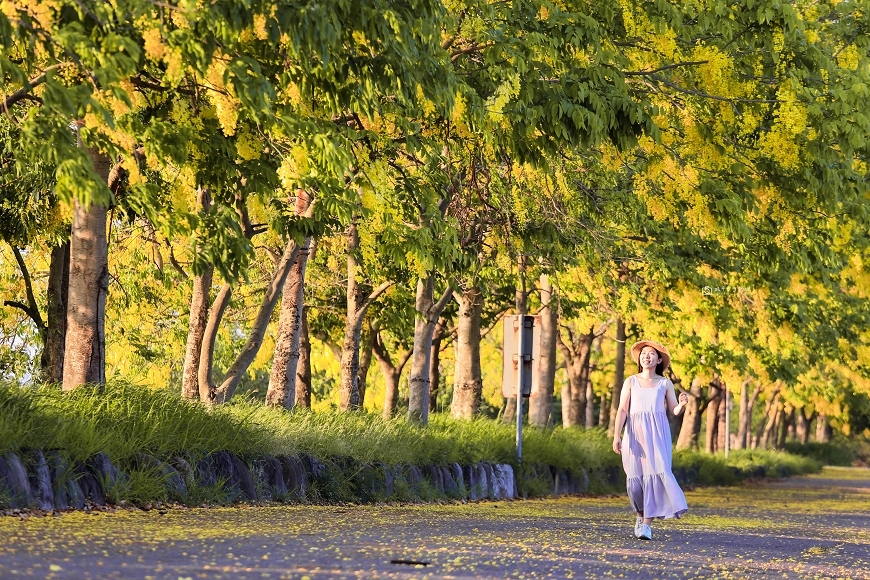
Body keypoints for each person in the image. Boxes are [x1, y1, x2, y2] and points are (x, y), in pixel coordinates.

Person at [612, 339, 689, 540]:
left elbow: (674, 410)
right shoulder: (630, 381)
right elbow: (622, 409)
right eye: (644, 353)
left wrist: (681, 405)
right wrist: (616, 435)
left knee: (657, 475)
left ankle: (646, 525)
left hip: (657, 435)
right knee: (635, 481)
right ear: (639, 358)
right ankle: (640, 515)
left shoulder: (665, 383)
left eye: (652, 354)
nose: (647, 356)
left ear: (659, 360)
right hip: (634, 435)